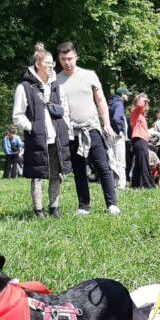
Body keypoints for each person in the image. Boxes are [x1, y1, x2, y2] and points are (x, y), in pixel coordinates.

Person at [56, 41, 120, 216]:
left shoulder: (90, 75)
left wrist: (106, 124)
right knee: (78, 170)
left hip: (92, 129)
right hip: (72, 132)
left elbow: (101, 101)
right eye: (63, 59)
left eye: (70, 58)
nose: (67, 62)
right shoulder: (56, 80)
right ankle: (83, 206)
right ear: (59, 59)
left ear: (76, 56)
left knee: (102, 166)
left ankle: (111, 204)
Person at [13, 44, 71, 217]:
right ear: (37, 64)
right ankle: (38, 210)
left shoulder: (56, 85)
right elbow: (17, 115)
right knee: (37, 175)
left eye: (53, 62)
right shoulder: (24, 87)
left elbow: (65, 109)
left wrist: (65, 128)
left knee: (56, 174)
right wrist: (32, 128)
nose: (52, 65)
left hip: (56, 138)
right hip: (37, 139)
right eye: (48, 62)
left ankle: (55, 207)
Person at [108, 86, 131, 189]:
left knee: (112, 159)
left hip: (110, 135)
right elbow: (116, 118)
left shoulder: (111, 103)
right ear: (122, 95)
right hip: (116, 136)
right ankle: (121, 184)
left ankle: (112, 183)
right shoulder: (119, 104)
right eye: (127, 94)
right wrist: (119, 131)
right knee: (120, 160)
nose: (128, 96)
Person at [130, 93, 155, 189]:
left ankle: (135, 185)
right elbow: (139, 105)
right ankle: (149, 186)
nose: (144, 102)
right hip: (139, 139)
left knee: (138, 163)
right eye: (142, 100)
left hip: (141, 140)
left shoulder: (141, 115)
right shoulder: (134, 111)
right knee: (144, 163)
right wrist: (142, 98)